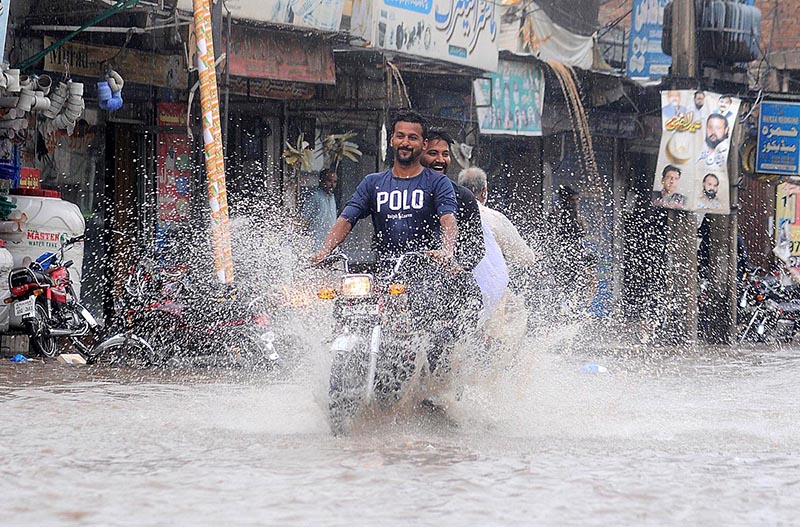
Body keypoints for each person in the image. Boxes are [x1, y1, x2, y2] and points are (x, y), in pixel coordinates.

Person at [310, 109, 457, 264]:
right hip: (385, 276)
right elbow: (346, 219)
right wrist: (325, 251)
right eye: (400, 136)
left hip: (426, 277)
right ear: (392, 139)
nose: (405, 143)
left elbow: (448, 219)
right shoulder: (372, 183)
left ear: (424, 144)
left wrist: (447, 250)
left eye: (412, 138)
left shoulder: (438, 182)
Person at [421, 130, 498, 319]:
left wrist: (457, 265)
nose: (440, 160)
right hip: (405, 282)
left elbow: (476, 246)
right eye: (433, 153)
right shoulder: (400, 193)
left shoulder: (463, 198)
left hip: (450, 288)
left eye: (445, 154)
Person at [457, 166, 540, 276]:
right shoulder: (494, 218)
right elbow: (524, 258)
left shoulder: (447, 215)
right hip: (488, 285)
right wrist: (533, 256)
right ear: (484, 192)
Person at [300, 169, 338, 250]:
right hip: (316, 243)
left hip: (331, 243)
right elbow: (304, 220)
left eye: (334, 182)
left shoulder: (332, 197)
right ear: (321, 181)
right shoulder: (314, 196)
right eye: (329, 181)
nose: (332, 185)